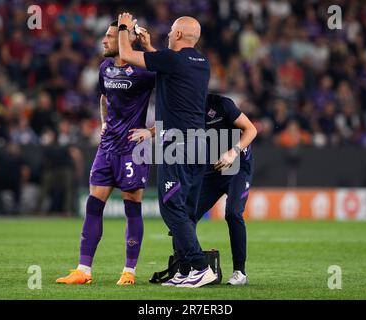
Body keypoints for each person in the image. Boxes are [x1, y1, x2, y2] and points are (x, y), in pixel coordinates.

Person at [118, 12, 217, 287]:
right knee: (184, 209)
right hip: (199, 144)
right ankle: (184, 270)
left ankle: (199, 266)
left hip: (178, 144)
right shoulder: (201, 62)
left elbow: (125, 53)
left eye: (172, 30)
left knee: (171, 207)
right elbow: (167, 66)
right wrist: (150, 48)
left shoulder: (172, 60)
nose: (169, 34)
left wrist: (125, 27)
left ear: (177, 35)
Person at [56, 20, 155, 286]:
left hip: (134, 149)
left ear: (125, 41)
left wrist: (153, 132)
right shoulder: (105, 68)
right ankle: (83, 270)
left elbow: (175, 93)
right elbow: (104, 98)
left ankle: (129, 271)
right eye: (106, 35)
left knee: (131, 208)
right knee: (92, 205)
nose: (104, 40)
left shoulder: (145, 70)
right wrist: (103, 122)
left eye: (110, 36)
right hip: (107, 147)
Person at [130, 93, 257, 285]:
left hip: (237, 166)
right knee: (185, 215)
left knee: (232, 213)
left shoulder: (222, 104)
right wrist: (150, 132)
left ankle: (240, 272)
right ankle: (184, 271)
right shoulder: (186, 107)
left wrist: (232, 152)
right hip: (212, 168)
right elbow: (171, 126)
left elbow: (251, 129)